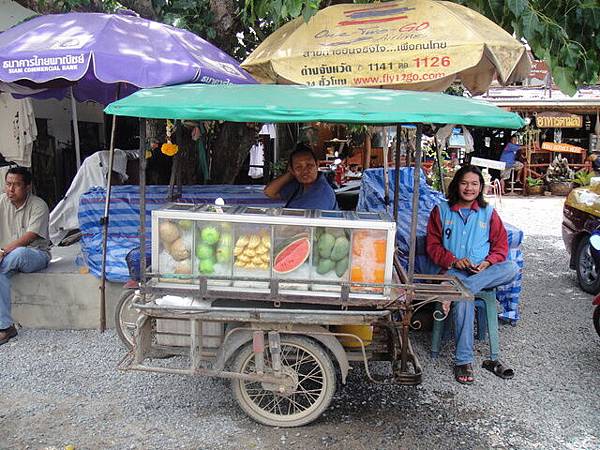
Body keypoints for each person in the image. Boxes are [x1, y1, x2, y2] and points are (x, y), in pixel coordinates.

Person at [426, 165, 518, 384]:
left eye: (474, 184)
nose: (469, 188)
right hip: (452, 272)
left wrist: (488, 262)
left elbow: (501, 246)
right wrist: (454, 260)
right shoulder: (441, 210)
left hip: (480, 273)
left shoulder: (488, 213)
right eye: (465, 183)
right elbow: (432, 246)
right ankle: (463, 361)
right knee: (465, 300)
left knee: (511, 268)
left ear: (480, 187)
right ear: (457, 184)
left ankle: (460, 290)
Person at [0, 167, 51, 345]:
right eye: (8, 184)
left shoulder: (39, 205)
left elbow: (29, 237)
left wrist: (2, 252)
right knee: (1, 274)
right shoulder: (1, 201)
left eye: (16, 185)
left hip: (35, 255)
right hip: (6, 258)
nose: (10, 189)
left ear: (28, 186)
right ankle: (6, 327)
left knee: (19, 252)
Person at [264, 143, 338, 210]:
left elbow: (305, 223)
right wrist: (290, 173)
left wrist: (295, 170)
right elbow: (269, 192)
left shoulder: (322, 193)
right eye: (298, 167)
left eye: (309, 165)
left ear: (317, 164)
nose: (305, 171)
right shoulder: (299, 185)